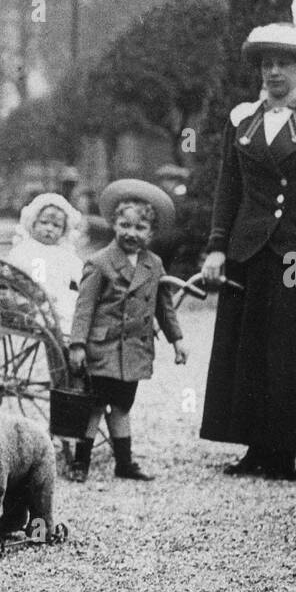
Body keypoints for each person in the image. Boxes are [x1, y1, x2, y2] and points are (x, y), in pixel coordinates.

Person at [200, 0, 296, 479]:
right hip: (250, 248)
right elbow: (229, 187)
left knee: (293, 349)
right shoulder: (241, 119)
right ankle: (253, 445)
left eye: (283, 63)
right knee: (247, 346)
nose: (274, 73)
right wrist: (218, 247)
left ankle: (286, 449)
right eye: (267, 64)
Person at [68, 180, 187, 482]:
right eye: (124, 225)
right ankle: (81, 463)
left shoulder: (154, 264)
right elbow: (84, 306)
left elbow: (164, 305)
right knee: (94, 406)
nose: (131, 233)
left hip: (134, 350)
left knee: (121, 406)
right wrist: (78, 344)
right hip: (102, 348)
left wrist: (177, 340)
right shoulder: (99, 262)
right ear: (113, 224)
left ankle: (125, 464)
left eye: (140, 228)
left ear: (151, 232)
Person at [5, 192, 85, 332]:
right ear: (33, 223)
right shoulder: (31, 249)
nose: (49, 228)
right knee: (63, 315)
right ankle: (67, 344)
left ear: (64, 230)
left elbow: (79, 272)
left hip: (60, 297)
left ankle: (72, 343)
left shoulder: (63, 251)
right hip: (37, 300)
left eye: (56, 226)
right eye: (44, 222)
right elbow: (38, 280)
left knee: (78, 311)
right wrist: (48, 295)